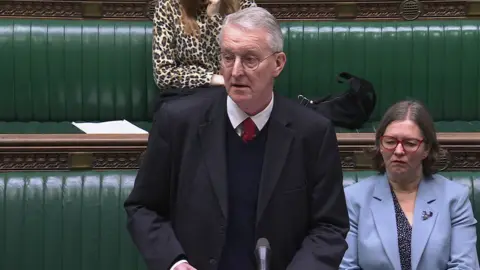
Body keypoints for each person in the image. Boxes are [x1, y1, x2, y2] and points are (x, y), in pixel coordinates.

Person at [125, 6, 349, 270]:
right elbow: (143, 208)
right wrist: (175, 262)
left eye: (250, 59)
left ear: (278, 63)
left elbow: (329, 226)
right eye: (228, 57)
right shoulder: (177, 122)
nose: (236, 71)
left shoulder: (312, 133)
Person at [340, 100, 479, 270]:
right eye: (390, 142)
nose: (398, 151)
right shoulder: (354, 198)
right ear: (380, 146)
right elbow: (346, 267)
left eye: (410, 143)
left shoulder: (454, 197)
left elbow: (465, 266)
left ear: (426, 149)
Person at [151, 0, 256, 110]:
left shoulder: (243, 4)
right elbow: (163, 74)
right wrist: (212, 79)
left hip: (233, 90)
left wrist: (214, 18)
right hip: (186, 94)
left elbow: (252, 54)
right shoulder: (167, 5)